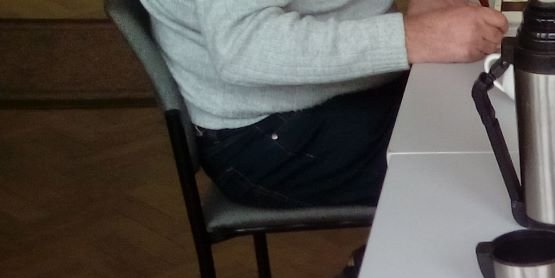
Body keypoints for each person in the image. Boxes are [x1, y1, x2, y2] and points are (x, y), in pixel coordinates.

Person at [143, 0, 507, 209]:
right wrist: (415, 36)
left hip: (349, 91)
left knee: (508, 124)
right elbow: (244, 47)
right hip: (270, 131)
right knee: (494, 168)